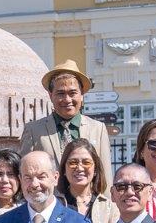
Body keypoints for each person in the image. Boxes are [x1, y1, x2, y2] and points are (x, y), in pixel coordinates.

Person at [19, 59, 112, 189]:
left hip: (87, 204)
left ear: (82, 95)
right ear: (51, 95)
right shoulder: (34, 130)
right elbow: (25, 172)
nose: (67, 100)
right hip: (49, 204)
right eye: (61, 93)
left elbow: (105, 174)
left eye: (72, 93)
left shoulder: (98, 129)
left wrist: (106, 206)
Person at [59, 138, 120, 223]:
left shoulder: (109, 208)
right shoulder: (54, 205)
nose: (79, 168)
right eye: (73, 162)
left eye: (86, 162)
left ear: (95, 170)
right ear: (64, 170)